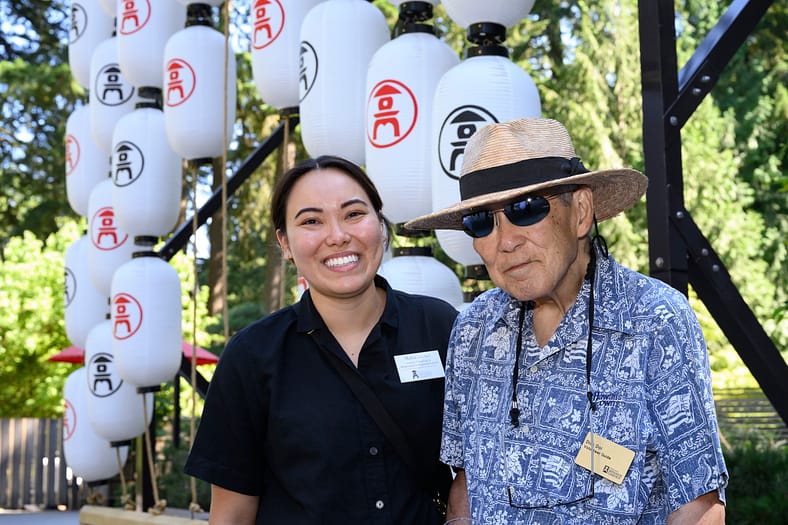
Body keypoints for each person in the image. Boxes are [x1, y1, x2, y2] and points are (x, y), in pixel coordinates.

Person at [405, 118, 728, 524]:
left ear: (581, 212)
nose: (506, 241)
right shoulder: (473, 329)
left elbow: (698, 504)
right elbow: (467, 482)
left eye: (526, 209)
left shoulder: (654, 320)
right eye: (481, 221)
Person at [184, 155, 458, 524]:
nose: (337, 235)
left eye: (354, 214)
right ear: (284, 243)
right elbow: (231, 515)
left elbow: (481, 460)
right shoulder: (251, 356)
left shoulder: (439, 326)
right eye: (311, 221)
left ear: (381, 225)